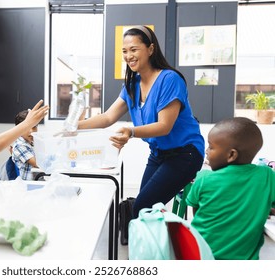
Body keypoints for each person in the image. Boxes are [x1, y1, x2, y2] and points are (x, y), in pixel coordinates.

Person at [78, 25, 204, 219]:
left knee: (142, 207)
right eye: (125, 51)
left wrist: (131, 131)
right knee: (143, 209)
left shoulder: (169, 79)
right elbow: (107, 117)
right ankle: (151, 246)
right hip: (159, 154)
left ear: (151, 49)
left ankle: (160, 246)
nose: (129, 56)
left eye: (134, 49)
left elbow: (164, 126)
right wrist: (74, 127)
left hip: (185, 154)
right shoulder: (132, 85)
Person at [186, 117, 275, 260]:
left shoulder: (203, 178)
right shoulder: (267, 176)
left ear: (231, 155)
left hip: (201, 255)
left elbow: (198, 212)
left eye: (211, 147)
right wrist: (260, 206)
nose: (207, 151)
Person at [11, 109, 38, 180]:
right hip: (26, 185)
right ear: (18, 129)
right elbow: (37, 163)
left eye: (34, 127)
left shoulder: (30, 142)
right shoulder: (20, 145)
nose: (31, 131)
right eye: (27, 128)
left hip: (34, 179)